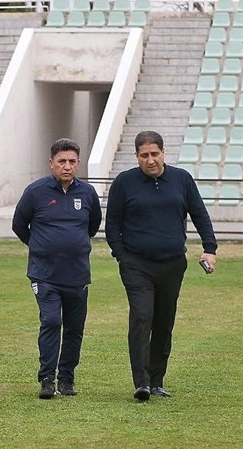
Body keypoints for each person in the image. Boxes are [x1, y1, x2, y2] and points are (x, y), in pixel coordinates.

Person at [106, 130, 218, 401]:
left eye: (154, 154)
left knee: (164, 322)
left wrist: (209, 249)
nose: (150, 160)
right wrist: (122, 255)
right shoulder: (124, 182)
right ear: (137, 157)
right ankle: (141, 382)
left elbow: (200, 214)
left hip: (172, 264)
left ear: (163, 153)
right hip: (136, 265)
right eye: (144, 155)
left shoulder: (182, 180)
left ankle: (157, 381)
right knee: (142, 316)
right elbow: (112, 225)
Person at [12, 138, 102, 399]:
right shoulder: (35, 192)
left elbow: (92, 226)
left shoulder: (87, 193)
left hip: (77, 274)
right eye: (61, 161)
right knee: (51, 321)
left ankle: (66, 378)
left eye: (72, 161)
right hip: (45, 273)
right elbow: (19, 225)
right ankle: (46, 378)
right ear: (51, 163)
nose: (67, 166)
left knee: (74, 328)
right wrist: (40, 246)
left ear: (78, 164)